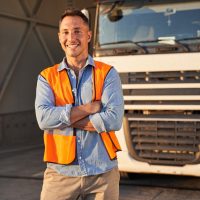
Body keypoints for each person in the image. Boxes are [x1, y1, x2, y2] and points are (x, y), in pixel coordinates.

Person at [35, 8, 124, 200]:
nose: (71, 37)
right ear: (59, 37)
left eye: (77, 31)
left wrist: (63, 118)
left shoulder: (108, 73)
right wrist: (88, 108)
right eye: (66, 32)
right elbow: (43, 119)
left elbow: (114, 120)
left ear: (89, 35)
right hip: (59, 173)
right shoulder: (46, 77)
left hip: (103, 173)